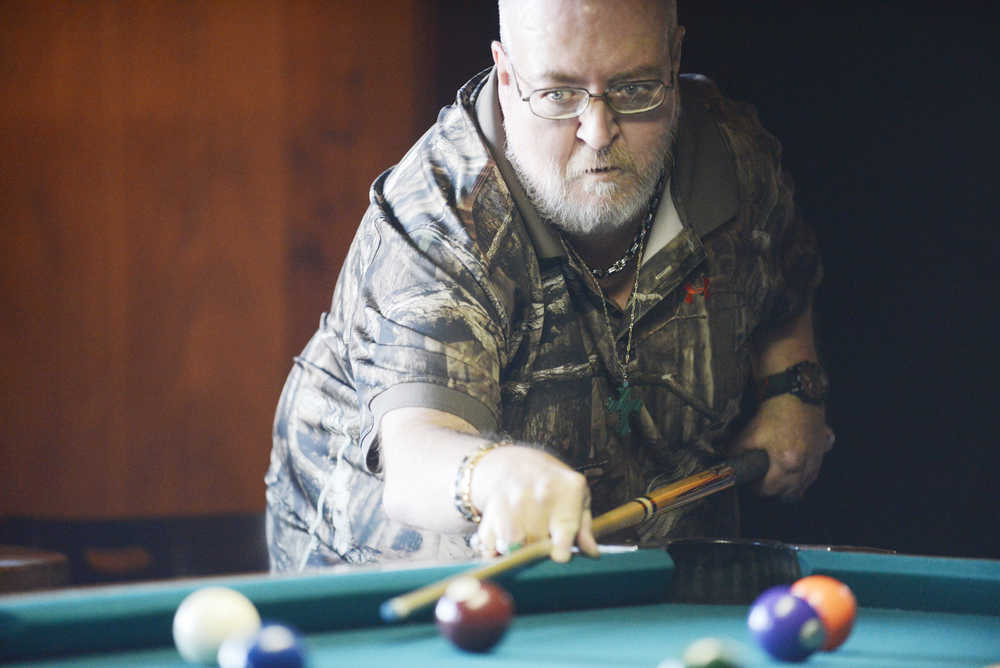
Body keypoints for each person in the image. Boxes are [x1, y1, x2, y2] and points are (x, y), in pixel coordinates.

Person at [265, 0, 832, 572]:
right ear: (507, 77)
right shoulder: (441, 217)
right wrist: (493, 474)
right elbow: (415, 457)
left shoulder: (733, 157)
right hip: (395, 578)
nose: (598, 132)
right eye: (560, 94)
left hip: (651, 563)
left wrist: (793, 392)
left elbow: (786, 284)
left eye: (634, 88)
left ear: (674, 59)